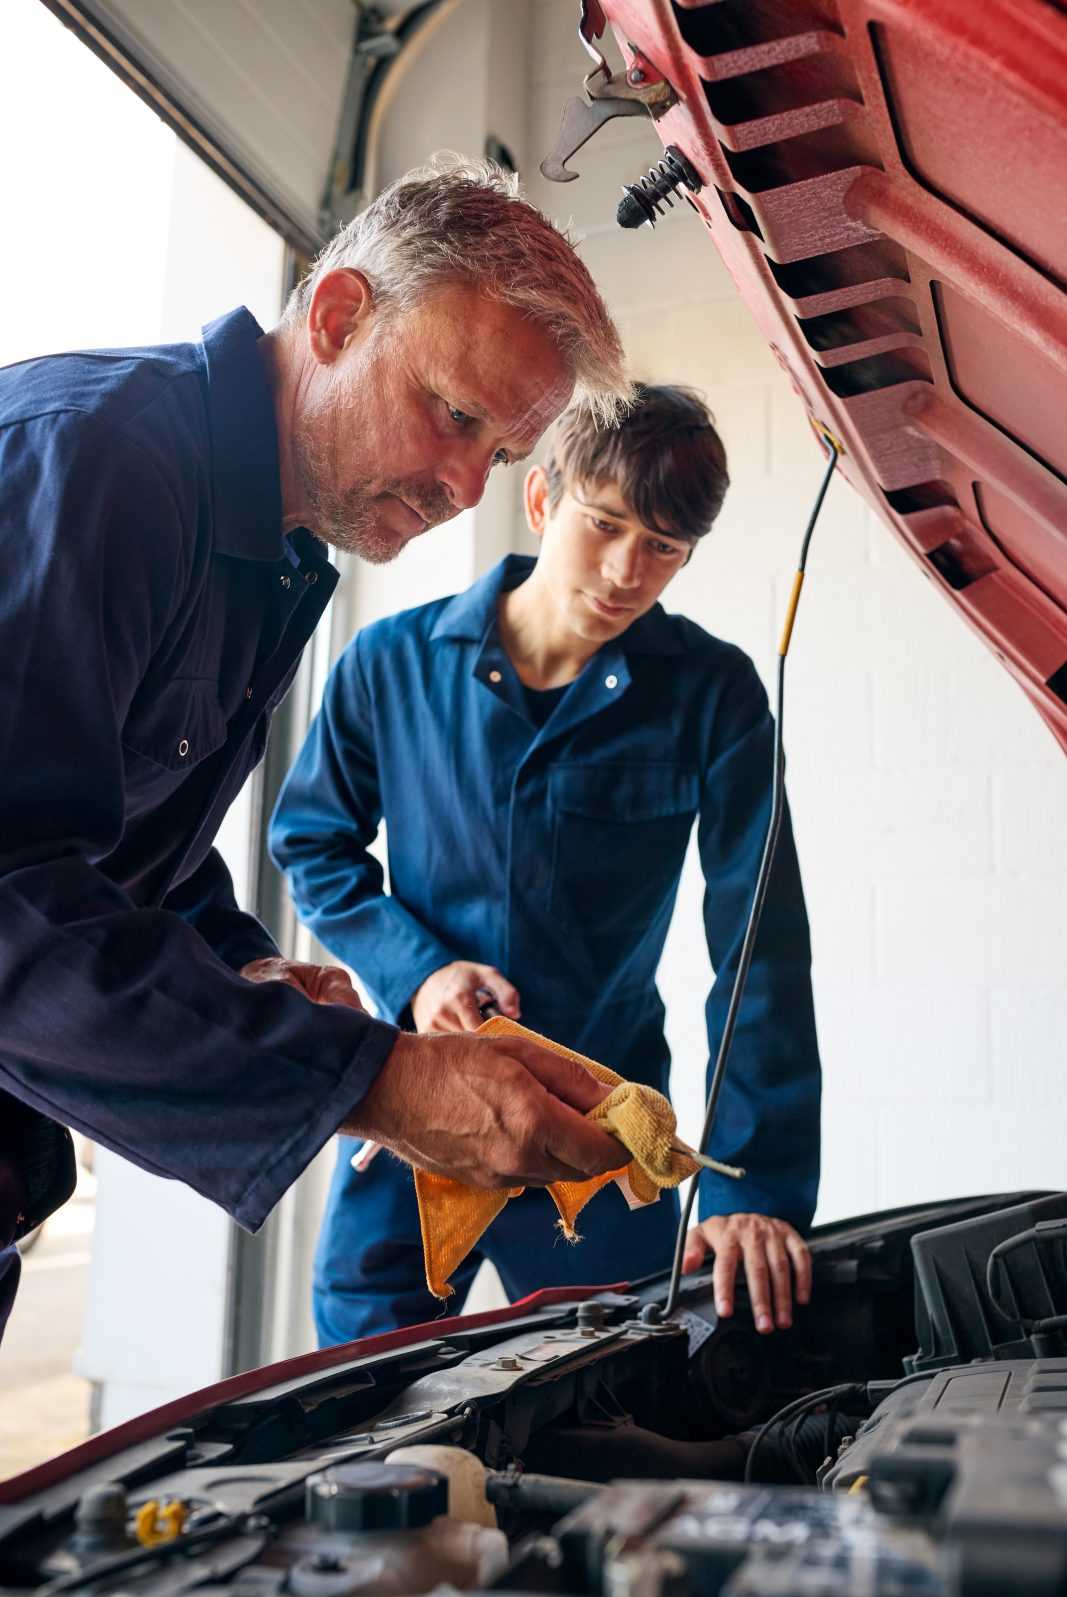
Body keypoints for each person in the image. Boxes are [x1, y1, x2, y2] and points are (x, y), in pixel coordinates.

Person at [0, 157, 633, 1344]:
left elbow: (130, 854)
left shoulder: (274, 561)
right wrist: (378, 1084)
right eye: (452, 414)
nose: (460, 486)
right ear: (339, 316)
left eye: (497, 456)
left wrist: (243, 969)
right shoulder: (94, 462)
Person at [270, 385, 822, 1348]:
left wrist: (756, 1179)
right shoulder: (386, 665)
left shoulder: (714, 693)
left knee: (628, 1400)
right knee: (361, 1414)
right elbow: (312, 844)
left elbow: (758, 940)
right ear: (540, 499)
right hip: (415, 1109)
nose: (623, 571)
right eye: (603, 524)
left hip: (602, 1136)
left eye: (662, 547)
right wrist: (418, 970)